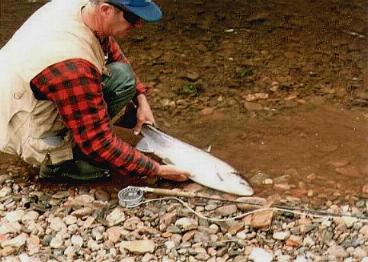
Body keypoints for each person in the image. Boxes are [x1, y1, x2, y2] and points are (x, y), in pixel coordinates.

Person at [0, 0, 189, 182]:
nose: (139, 24)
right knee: (101, 167)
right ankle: (56, 164)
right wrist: (157, 170)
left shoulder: (84, 7)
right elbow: (98, 142)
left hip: (22, 90)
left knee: (124, 77)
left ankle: (76, 135)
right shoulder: (73, 68)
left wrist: (141, 98)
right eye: (132, 17)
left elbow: (108, 45)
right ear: (106, 10)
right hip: (19, 123)